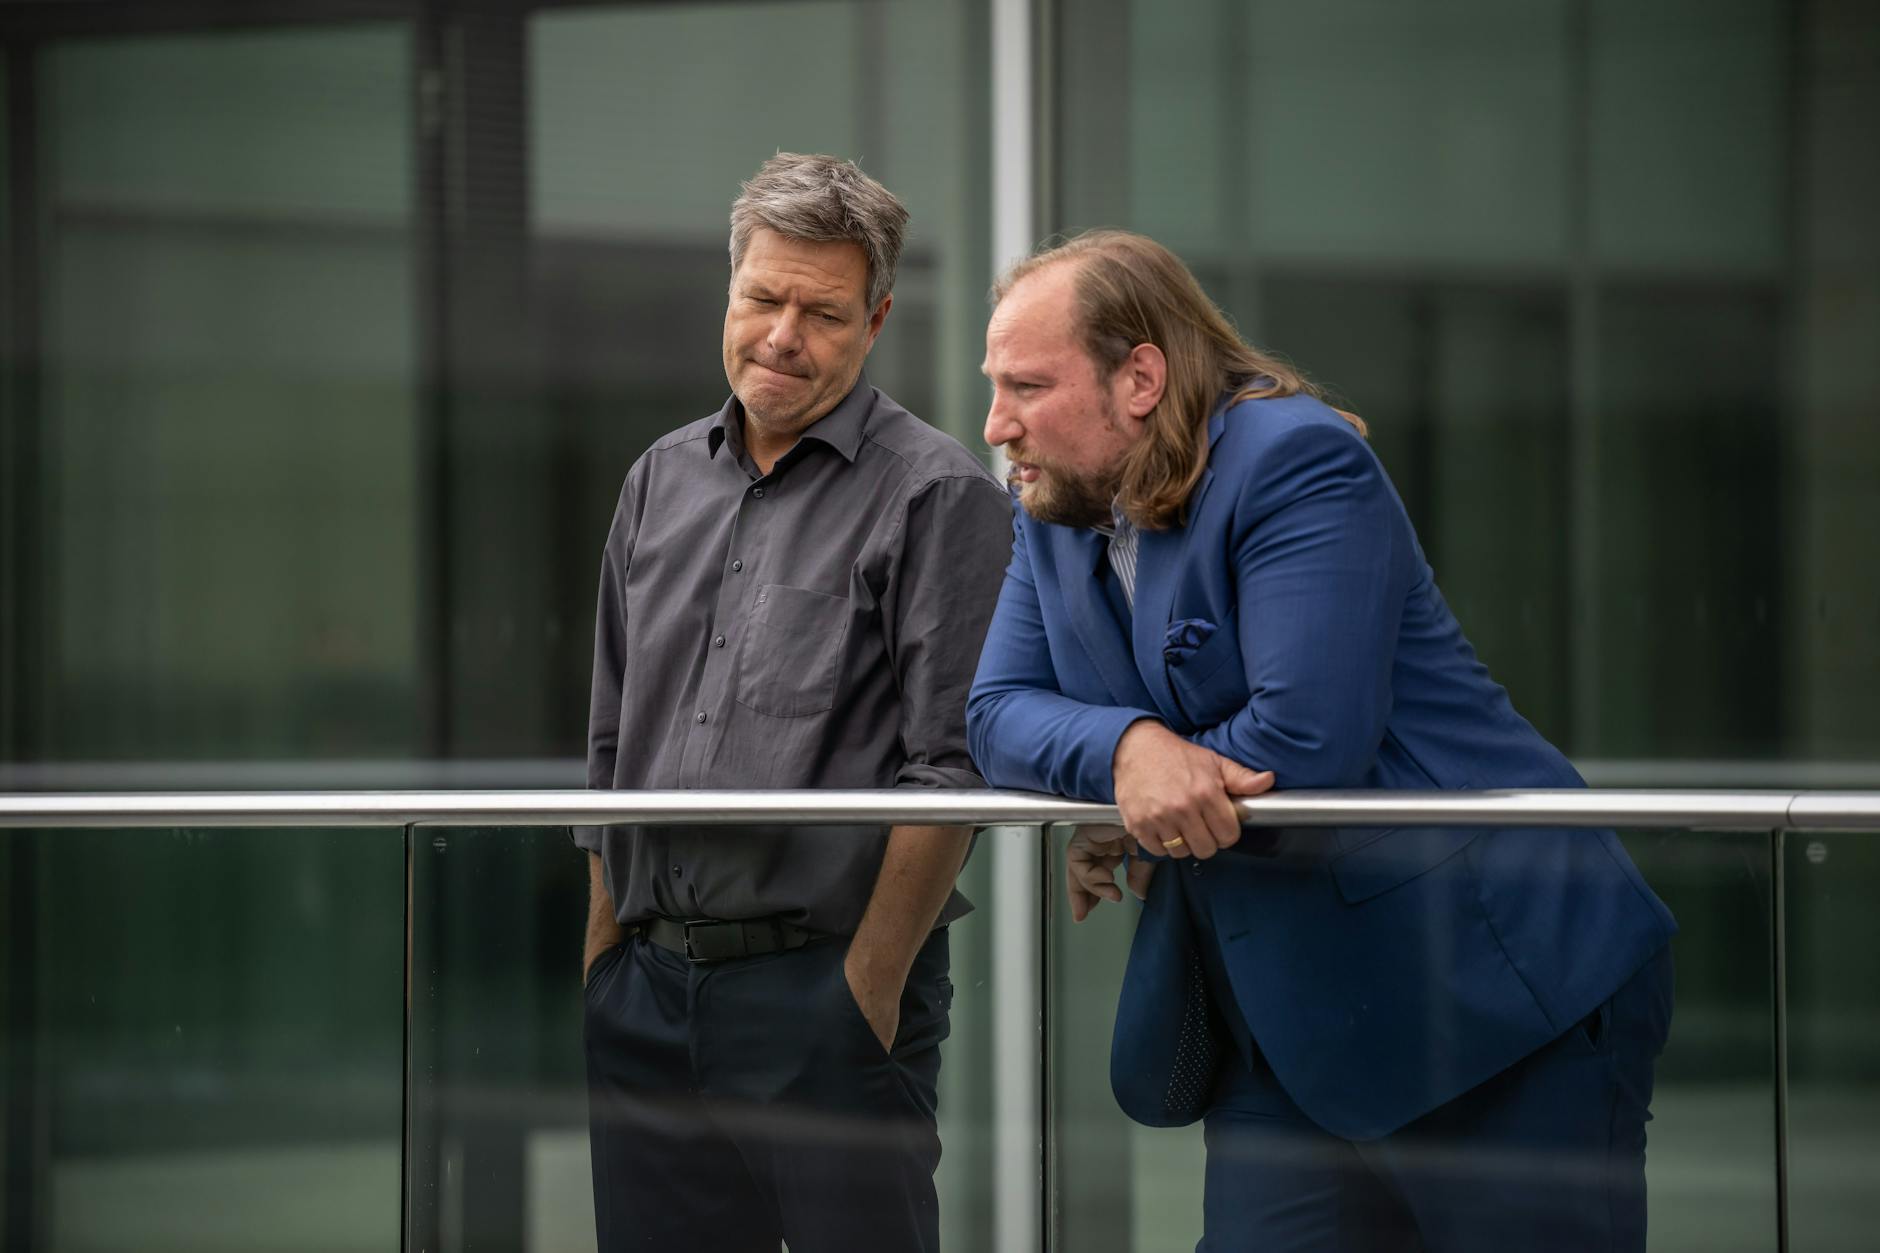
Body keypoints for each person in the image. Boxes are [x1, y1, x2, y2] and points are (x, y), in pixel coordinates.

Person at [966, 229, 1678, 1252]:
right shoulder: (1049, 501)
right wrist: (1128, 757)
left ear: (1140, 378)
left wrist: (1149, 807)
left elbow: (1302, 740)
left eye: (1028, 387)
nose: (997, 424)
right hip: (1284, 1026)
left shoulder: (1292, 458)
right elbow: (996, 711)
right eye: (995, 387)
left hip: (1492, 995)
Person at [577, 153, 1011, 1253]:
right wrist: (604, 965)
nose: (782, 335)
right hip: (644, 994)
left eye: (821, 313)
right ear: (728, 291)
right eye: (761, 298)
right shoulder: (657, 479)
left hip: (825, 993)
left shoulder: (936, 493)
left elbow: (952, 767)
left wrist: (867, 989)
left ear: (876, 322)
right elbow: (611, 737)